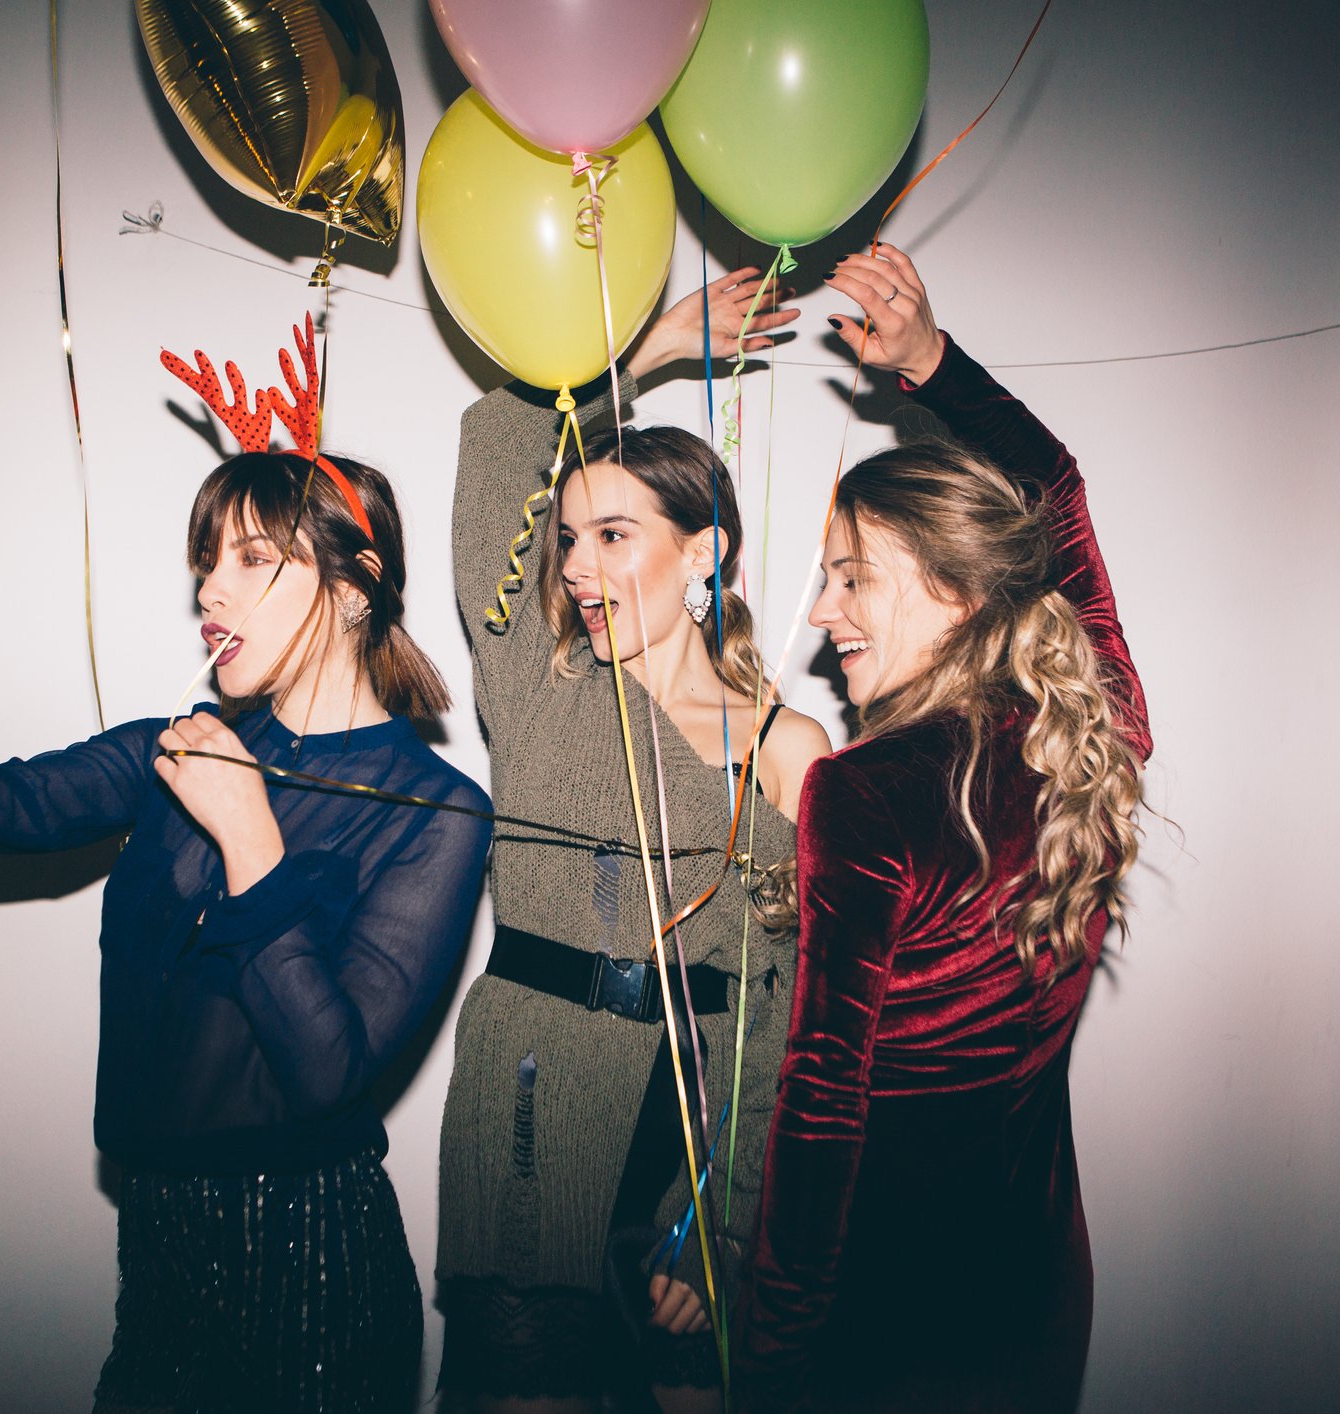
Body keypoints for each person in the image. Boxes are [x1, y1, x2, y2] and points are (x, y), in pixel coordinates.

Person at [0, 406, 491, 1414]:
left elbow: (327, 1071)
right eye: (207, 560)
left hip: (310, 1252)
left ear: (353, 585)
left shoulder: (437, 811)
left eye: (251, 558)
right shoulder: (169, 749)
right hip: (158, 1235)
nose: (209, 588)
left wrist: (253, 838)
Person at [741, 248, 1153, 1412]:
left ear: (958, 593)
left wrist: (766, 1365)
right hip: (1035, 1298)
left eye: (850, 578)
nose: (819, 613)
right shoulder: (1084, 740)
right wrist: (931, 363)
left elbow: (820, 1113)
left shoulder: (866, 789)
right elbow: (1055, 491)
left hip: (887, 1322)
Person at [435, 271, 831, 1413]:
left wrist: (732, 1220)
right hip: (529, 1124)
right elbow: (499, 435)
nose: (574, 567)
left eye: (613, 534)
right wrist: (644, 352)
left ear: (706, 554)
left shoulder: (789, 750)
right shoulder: (538, 683)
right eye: (568, 539)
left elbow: (795, 1015)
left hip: (694, 1163)